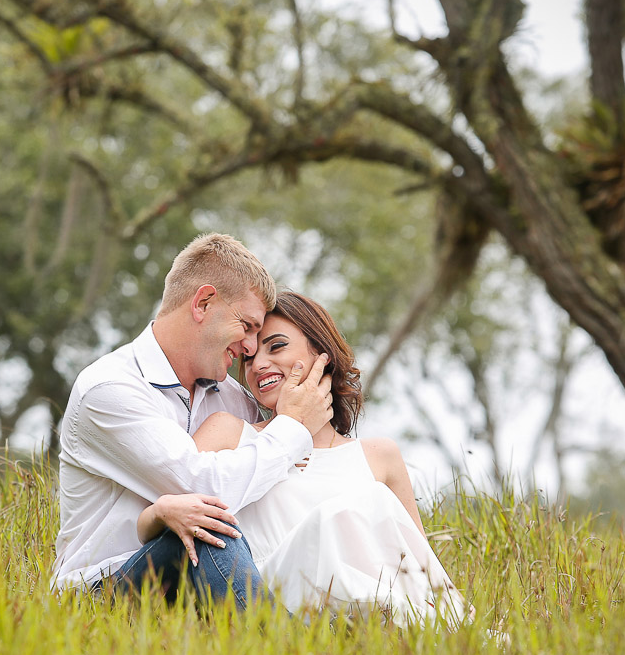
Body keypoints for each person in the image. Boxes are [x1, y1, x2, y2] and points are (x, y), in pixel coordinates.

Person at [137, 292, 472, 627]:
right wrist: (159, 512)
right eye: (249, 358)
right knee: (338, 514)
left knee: (373, 503)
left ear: (320, 352)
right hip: (271, 598)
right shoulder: (229, 433)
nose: (259, 365)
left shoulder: (379, 456)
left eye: (277, 346)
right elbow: (160, 517)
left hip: (375, 608)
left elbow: (417, 559)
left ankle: (414, 627)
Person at [52, 234, 334, 609]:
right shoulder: (109, 389)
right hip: (102, 591)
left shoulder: (233, 399)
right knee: (208, 525)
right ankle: (286, 653)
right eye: (248, 326)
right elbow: (207, 488)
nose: (250, 349)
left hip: (198, 586)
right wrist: (293, 428)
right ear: (203, 303)